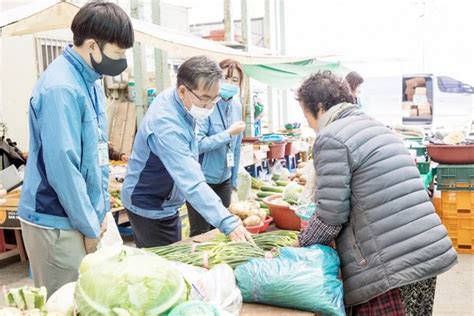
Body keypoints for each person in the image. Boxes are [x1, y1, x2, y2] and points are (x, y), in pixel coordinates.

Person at [295, 71, 457, 315]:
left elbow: (330, 218)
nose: (308, 123)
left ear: (318, 107)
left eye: (305, 114)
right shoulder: (376, 127)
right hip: (423, 255)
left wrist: (300, 243)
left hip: (392, 267)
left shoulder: (331, 137)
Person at [18, 1, 134, 296]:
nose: (122, 61)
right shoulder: (62, 87)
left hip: (81, 215)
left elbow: (91, 155)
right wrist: (90, 227)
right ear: (93, 46)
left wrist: (100, 212)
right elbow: (63, 170)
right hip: (56, 219)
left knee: (95, 298)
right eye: (118, 52)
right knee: (67, 302)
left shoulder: (91, 81)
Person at [121, 56, 253, 248]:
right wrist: (228, 222)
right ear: (183, 91)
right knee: (162, 269)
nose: (209, 106)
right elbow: (191, 181)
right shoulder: (166, 125)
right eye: (205, 99)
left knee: (174, 258)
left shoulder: (180, 100)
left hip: (167, 202)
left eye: (214, 99)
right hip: (149, 204)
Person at [186, 59, 246, 237]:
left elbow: (236, 148)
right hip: (202, 182)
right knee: (200, 233)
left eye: (235, 80)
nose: (230, 83)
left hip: (224, 181)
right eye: (225, 78)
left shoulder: (236, 106)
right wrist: (227, 134)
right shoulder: (206, 105)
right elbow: (198, 144)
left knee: (221, 233)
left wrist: (233, 181)